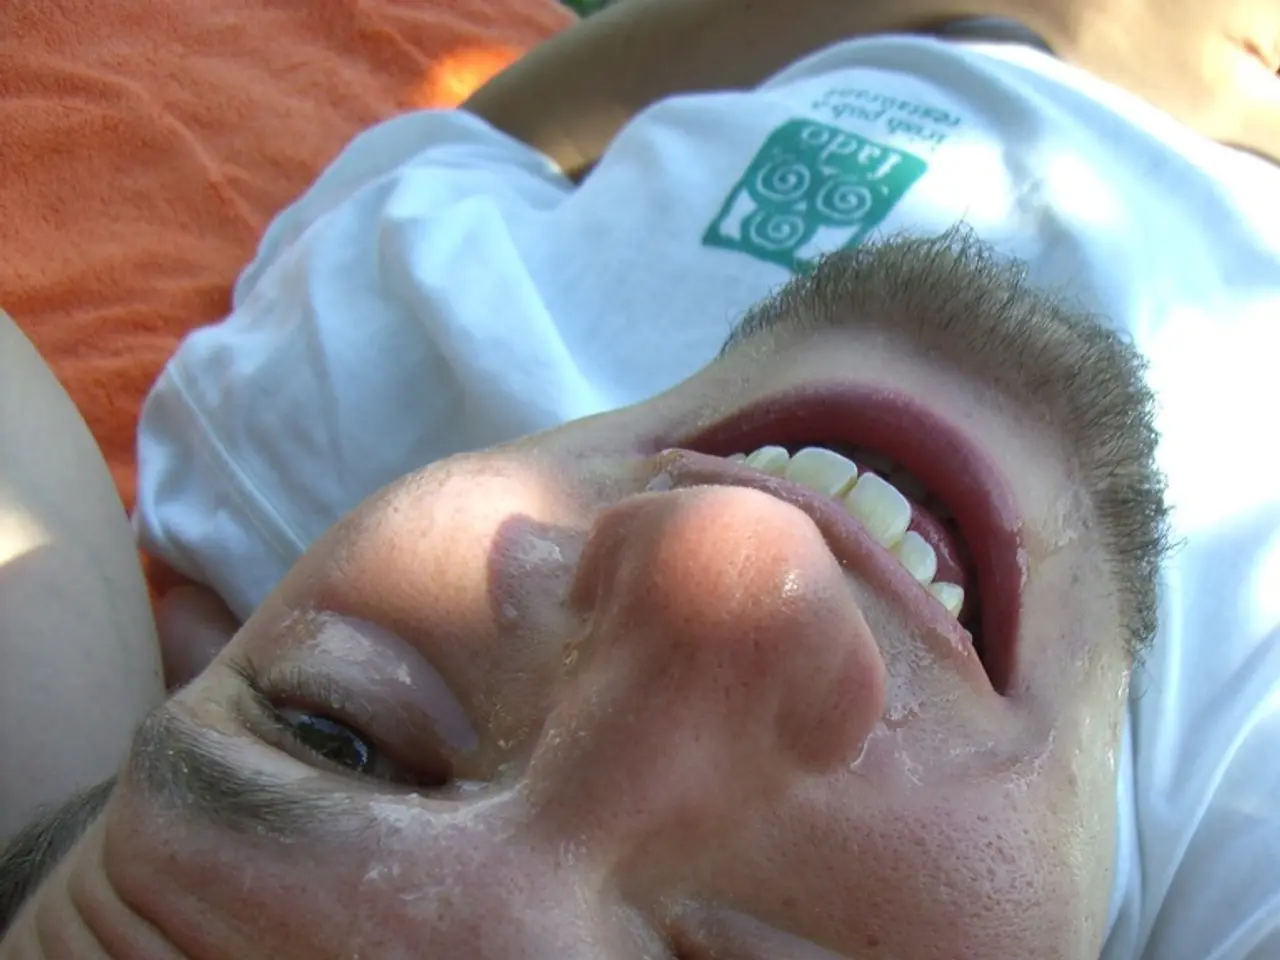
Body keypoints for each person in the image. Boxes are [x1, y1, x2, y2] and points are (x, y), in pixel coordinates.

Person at [2, 0, 1279, 956]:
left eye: (336, 734)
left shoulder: (324, 414)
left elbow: (488, 137)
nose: (727, 548)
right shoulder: (1237, 814)